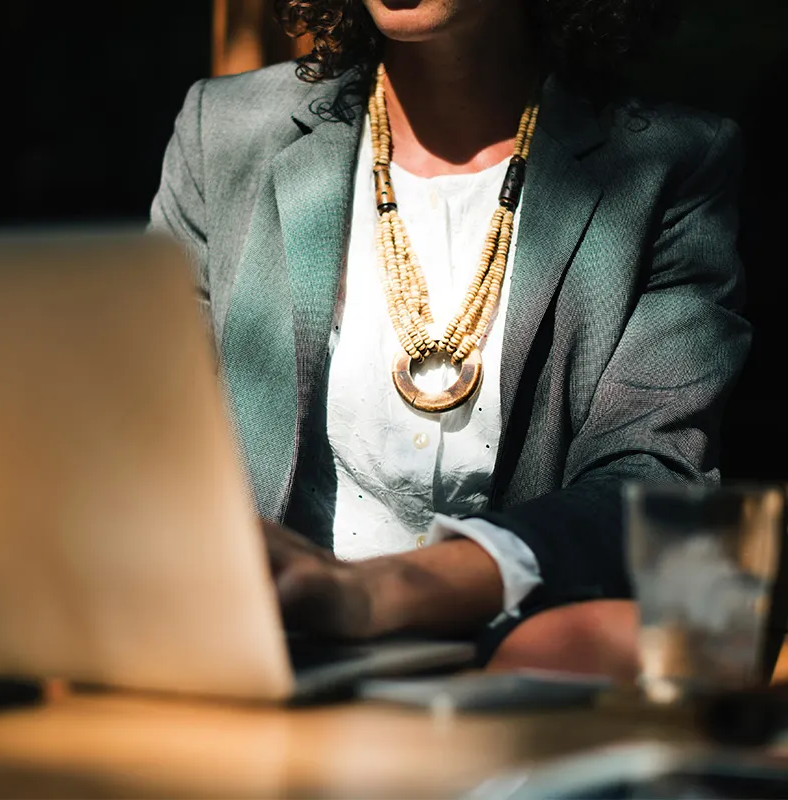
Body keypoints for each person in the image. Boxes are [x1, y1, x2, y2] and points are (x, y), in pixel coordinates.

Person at [150, 0, 751, 681]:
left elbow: (652, 481)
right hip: (264, 658)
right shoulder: (226, 132)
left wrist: (384, 593)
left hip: (518, 675)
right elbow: (149, 433)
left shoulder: (669, 164)